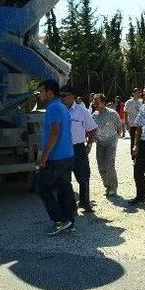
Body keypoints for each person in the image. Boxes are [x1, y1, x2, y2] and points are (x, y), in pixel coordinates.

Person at [35, 79, 76, 235]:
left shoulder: (52, 108)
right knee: (64, 188)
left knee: (41, 187)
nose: (40, 95)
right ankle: (69, 221)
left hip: (56, 158)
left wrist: (44, 155)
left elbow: (54, 133)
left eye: (41, 91)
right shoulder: (63, 107)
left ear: (49, 92)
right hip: (67, 156)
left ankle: (59, 220)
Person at [60, 84, 97, 213]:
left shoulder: (82, 112)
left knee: (84, 176)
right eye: (61, 95)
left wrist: (89, 145)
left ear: (72, 97)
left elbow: (92, 128)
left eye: (64, 95)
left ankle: (84, 203)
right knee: (64, 179)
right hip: (62, 149)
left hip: (78, 148)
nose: (62, 98)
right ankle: (70, 206)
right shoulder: (58, 110)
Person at [92, 94, 123, 196]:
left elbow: (119, 127)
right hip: (100, 143)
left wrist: (116, 139)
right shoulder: (94, 115)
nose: (95, 104)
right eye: (94, 102)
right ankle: (107, 186)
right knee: (101, 166)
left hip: (111, 142)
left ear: (104, 103)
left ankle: (113, 187)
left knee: (109, 164)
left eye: (97, 102)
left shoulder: (112, 113)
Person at [124, 88, 143, 159]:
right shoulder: (129, 102)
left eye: (139, 93)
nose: (138, 94)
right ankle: (134, 156)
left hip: (140, 125)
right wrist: (126, 123)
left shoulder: (141, 102)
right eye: (137, 93)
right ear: (133, 93)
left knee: (140, 140)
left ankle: (140, 155)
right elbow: (125, 112)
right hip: (132, 124)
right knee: (133, 140)